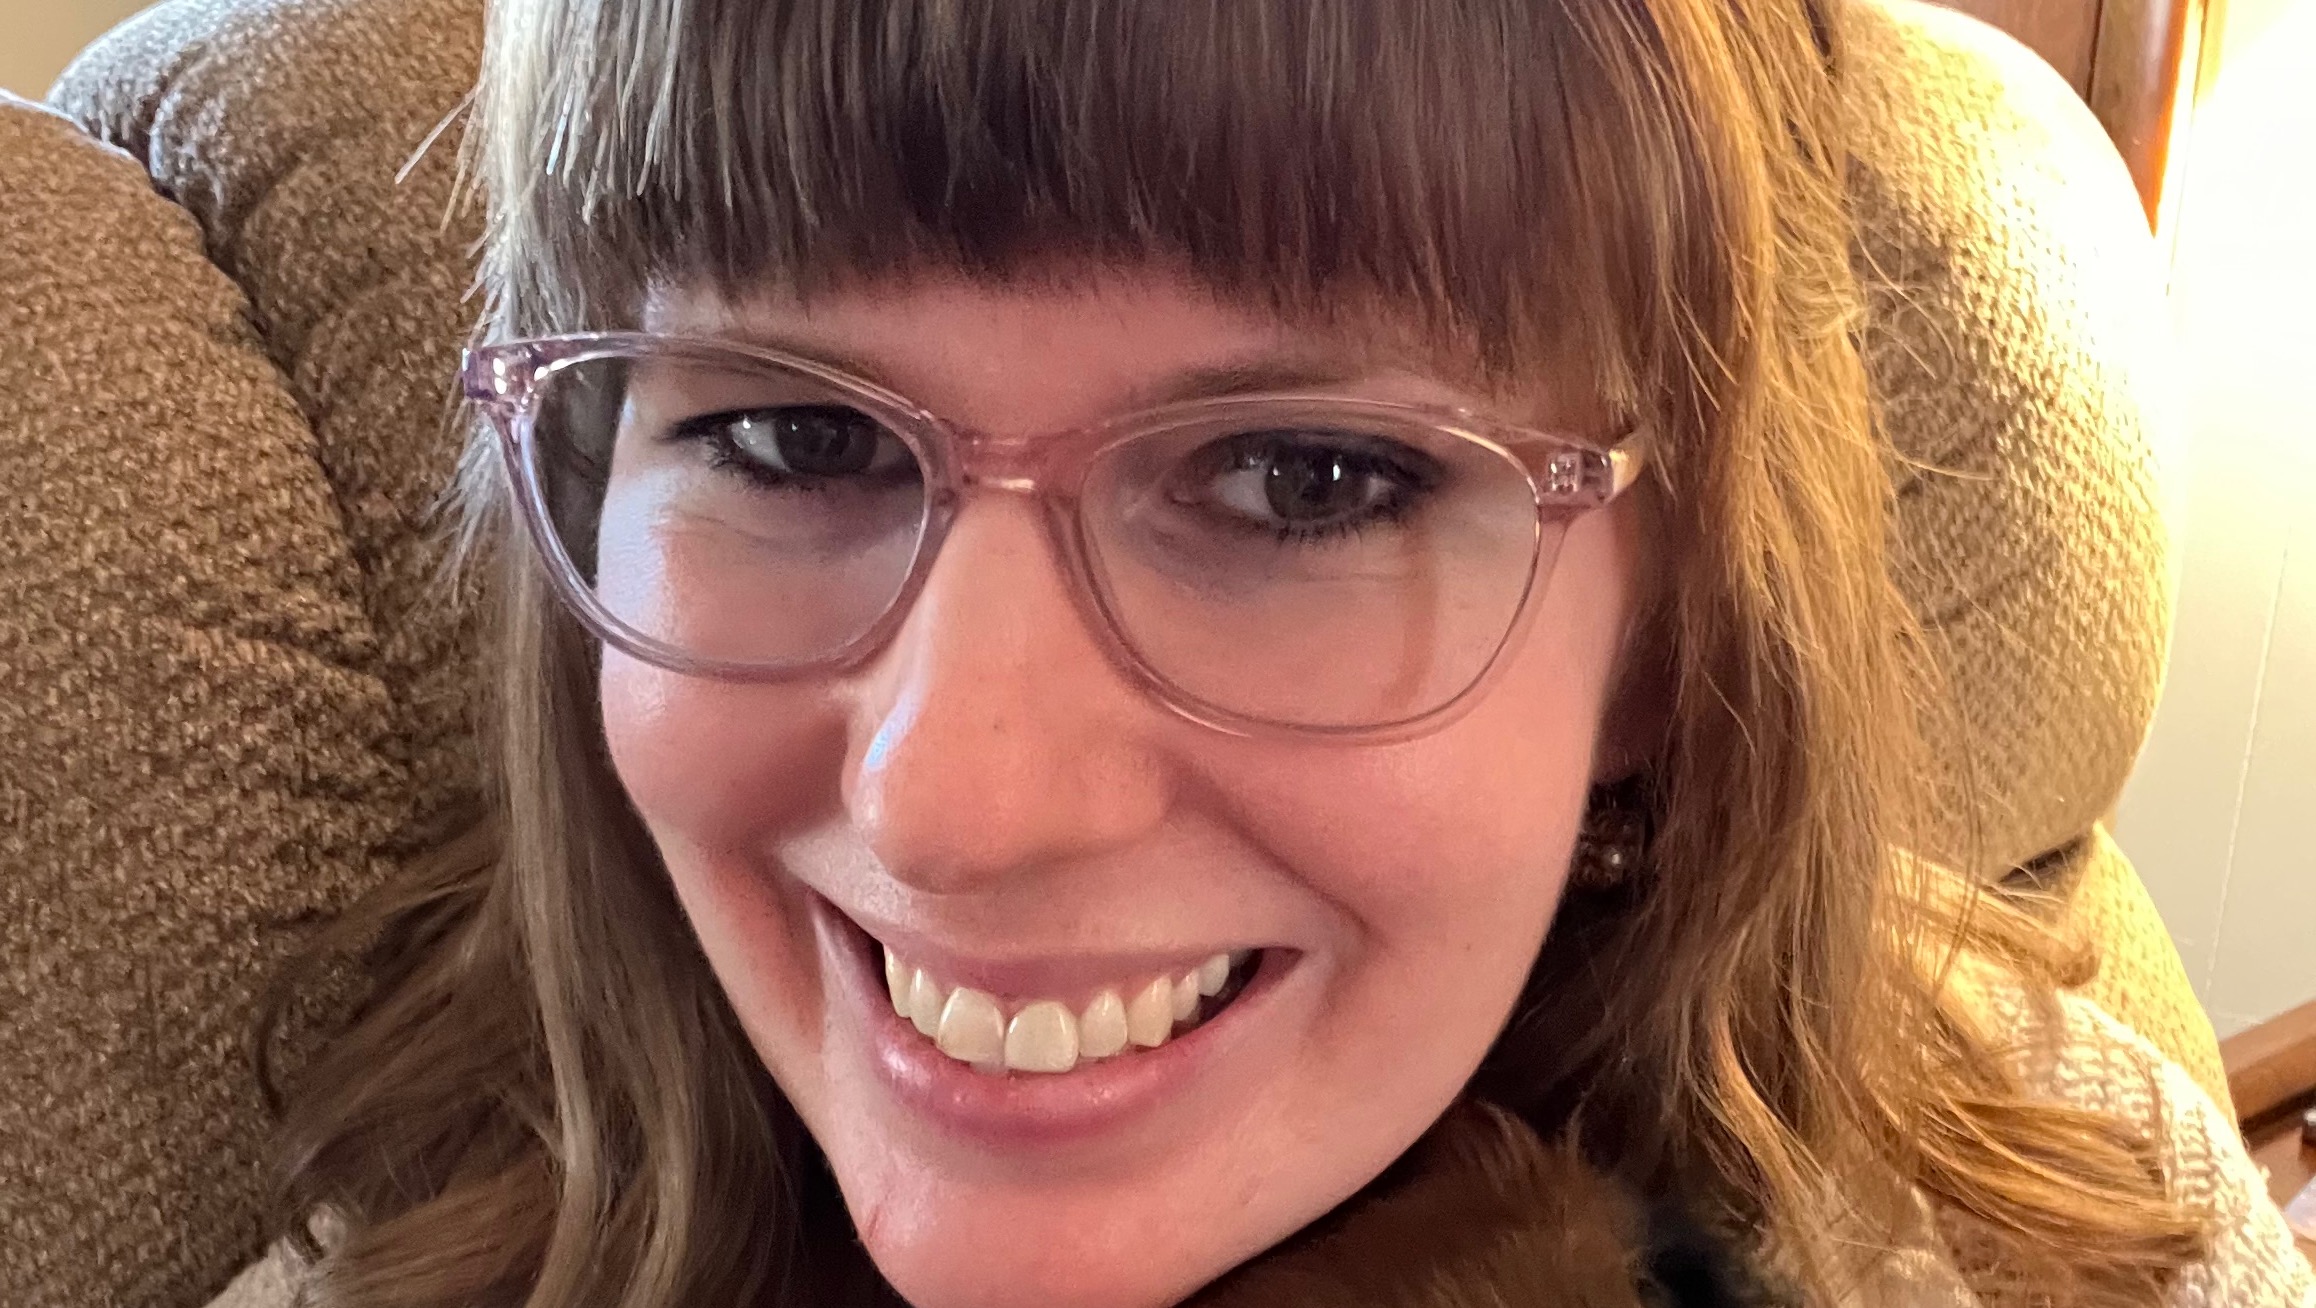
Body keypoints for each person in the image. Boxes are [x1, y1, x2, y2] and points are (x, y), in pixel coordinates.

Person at [211, 0, 2314, 1305]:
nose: (956, 806)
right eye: (791, 438)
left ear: (1669, 632)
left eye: (1305, 482)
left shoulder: (2077, 1226)